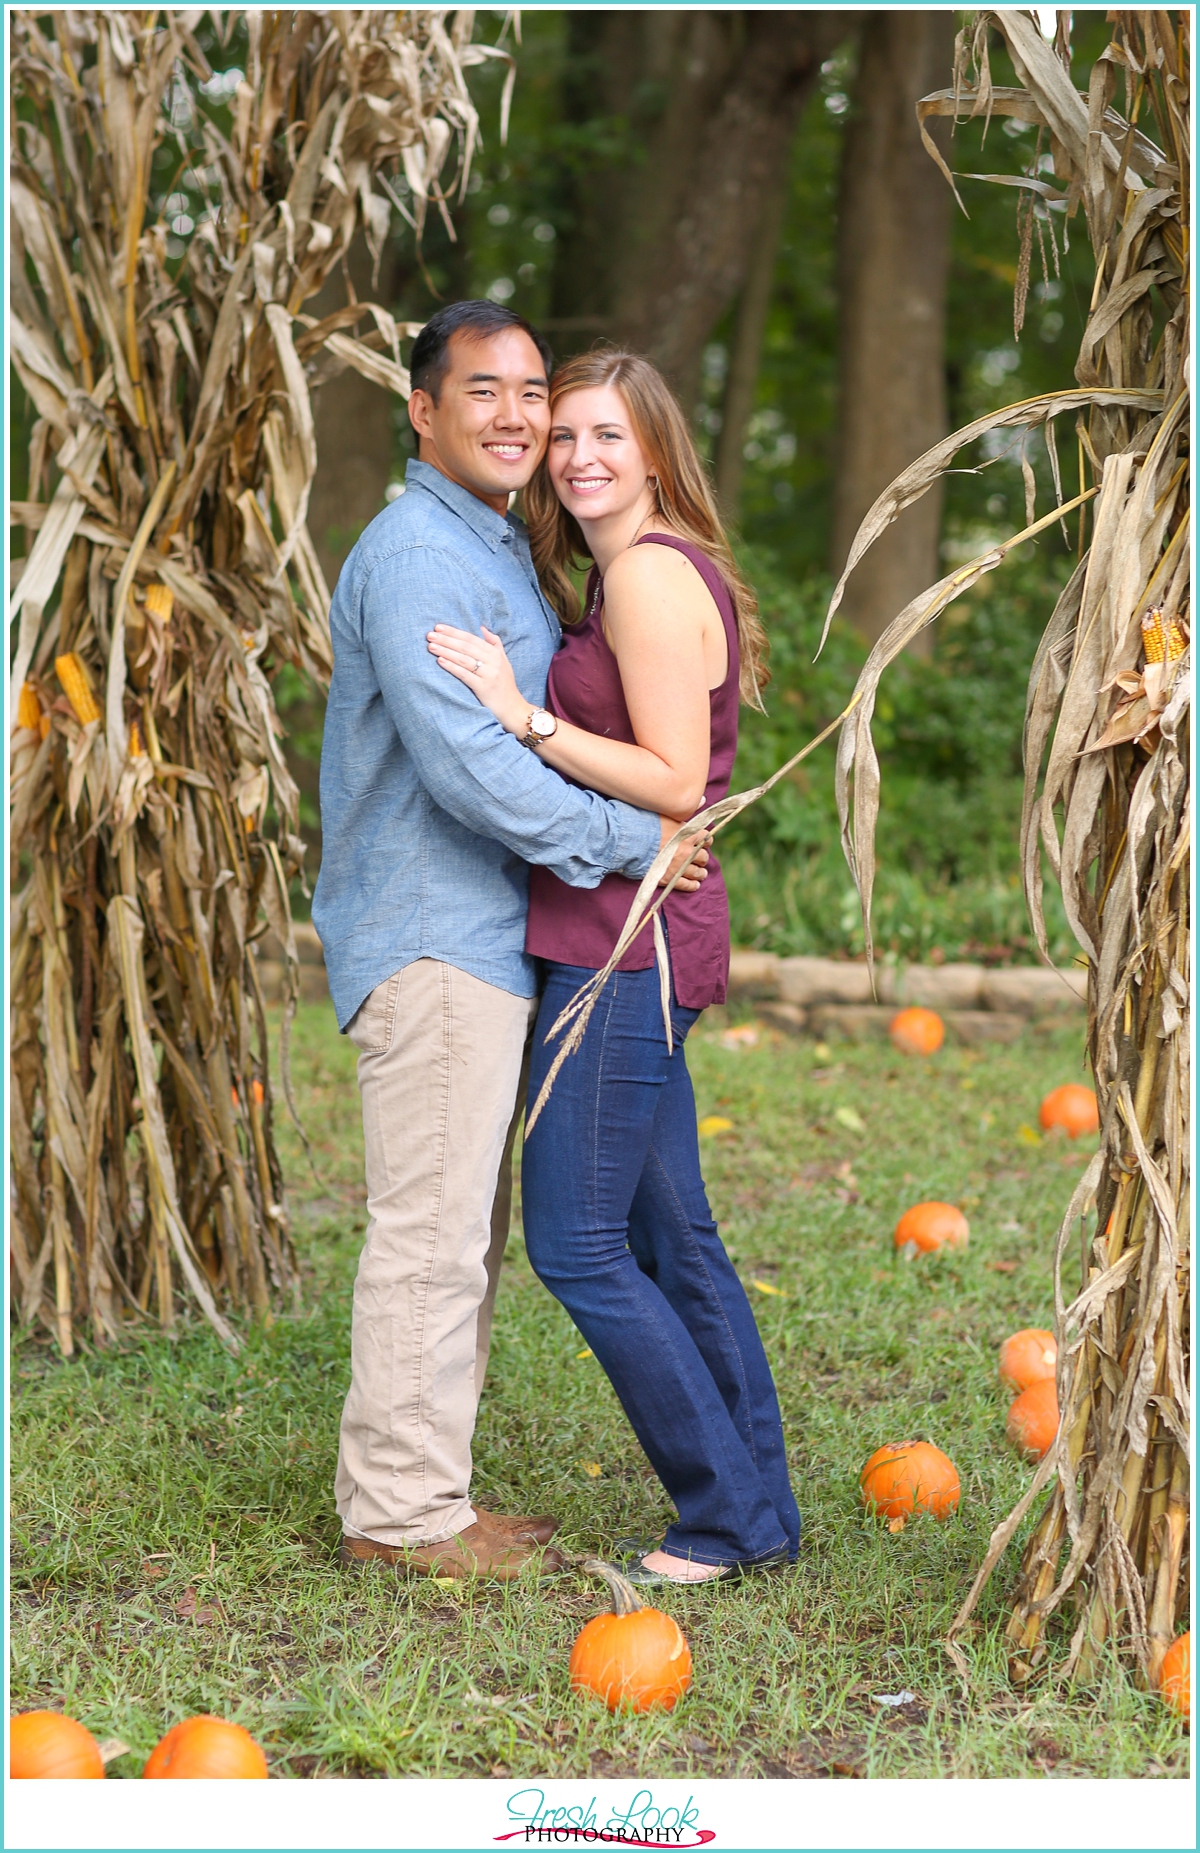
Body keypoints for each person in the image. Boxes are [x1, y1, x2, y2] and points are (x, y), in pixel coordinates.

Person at [313, 304, 708, 1583]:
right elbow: (472, 769)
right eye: (481, 390)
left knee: (457, 1230)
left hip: (491, 938)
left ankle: (428, 1490)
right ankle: (400, 1512)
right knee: (431, 1231)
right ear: (422, 411)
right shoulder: (420, 557)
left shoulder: (492, 546)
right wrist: (629, 834)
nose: (515, 414)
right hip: (436, 937)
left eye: (531, 391)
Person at [427, 349, 800, 1584]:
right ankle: (758, 1512)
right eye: (566, 433)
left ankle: (722, 1514)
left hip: (622, 948)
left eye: (609, 436)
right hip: (638, 934)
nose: (581, 455)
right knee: (673, 1235)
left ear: (654, 452)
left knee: (579, 1242)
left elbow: (677, 782)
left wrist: (520, 712)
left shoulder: (643, 576)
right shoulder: (632, 571)